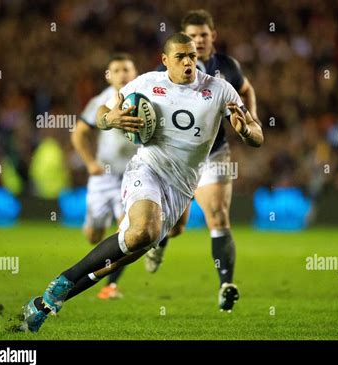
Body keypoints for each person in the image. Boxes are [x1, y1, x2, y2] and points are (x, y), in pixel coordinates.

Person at [18, 32, 263, 333]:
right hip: (146, 169)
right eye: (180, 57)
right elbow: (102, 112)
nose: (188, 62)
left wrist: (246, 131)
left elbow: (257, 134)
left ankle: (44, 305)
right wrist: (113, 119)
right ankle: (65, 279)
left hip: (181, 189)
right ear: (165, 61)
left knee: (124, 255)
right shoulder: (148, 83)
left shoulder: (220, 89)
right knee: (141, 232)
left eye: (192, 56)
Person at [144, 9, 261, 312]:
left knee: (218, 215)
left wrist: (250, 119)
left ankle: (226, 285)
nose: (199, 41)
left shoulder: (227, 69)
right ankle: (161, 243)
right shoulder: (163, 73)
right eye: (193, 36)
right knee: (176, 226)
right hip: (178, 158)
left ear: (212, 37)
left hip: (214, 153)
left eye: (203, 36)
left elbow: (246, 89)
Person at [71, 53, 138, 300]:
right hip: (102, 177)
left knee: (129, 232)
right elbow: (78, 134)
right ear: (109, 76)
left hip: (132, 176)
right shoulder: (100, 101)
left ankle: (110, 286)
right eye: (117, 70)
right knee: (93, 237)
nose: (122, 74)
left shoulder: (146, 98)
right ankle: (95, 222)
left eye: (127, 69)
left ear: (135, 73)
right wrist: (90, 163)